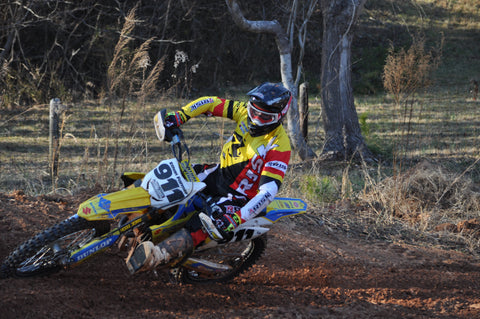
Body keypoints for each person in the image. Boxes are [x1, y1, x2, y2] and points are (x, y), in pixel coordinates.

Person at [126, 82, 292, 274]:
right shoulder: (243, 112)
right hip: (217, 174)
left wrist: (237, 218)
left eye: (265, 117)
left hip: (238, 196)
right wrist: (180, 116)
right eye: (253, 112)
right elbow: (210, 102)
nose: (256, 120)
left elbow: (268, 191)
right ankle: (138, 216)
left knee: (205, 223)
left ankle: (158, 255)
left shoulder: (279, 145)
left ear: (280, 116)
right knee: (169, 179)